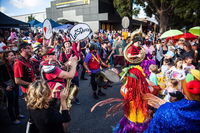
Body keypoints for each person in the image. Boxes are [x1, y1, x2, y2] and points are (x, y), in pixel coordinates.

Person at [0, 51, 22, 124]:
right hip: (8, 86)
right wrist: (5, 86)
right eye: (11, 55)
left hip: (14, 84)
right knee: (10, 103)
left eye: (13, 55)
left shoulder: (14, 63)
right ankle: (13, 119)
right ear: (6, 57)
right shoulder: (2, 65)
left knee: (16, 101)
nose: (14, 56)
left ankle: (18, 115)